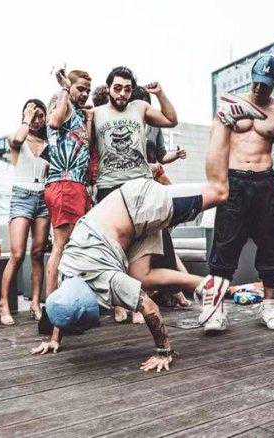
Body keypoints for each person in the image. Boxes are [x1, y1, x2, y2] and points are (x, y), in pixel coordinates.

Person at [31, 113, 233, 371]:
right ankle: (208, 285)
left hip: (141, 204)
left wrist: (163, 351)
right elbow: (64, 302)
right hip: (128, 225)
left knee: (219, 193)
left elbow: (149, 307)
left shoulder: (106, 281)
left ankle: (222, 121)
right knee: (142, 278)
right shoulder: (67, 273)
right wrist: (54, 338)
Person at [208, 54, 274, 331]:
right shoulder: (231, 105)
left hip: (265, 182)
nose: (259, 88)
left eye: (265, 84)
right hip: (234, 181)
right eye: (256, 82)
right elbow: (217, 146)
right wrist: (219, 184)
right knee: (225, 245)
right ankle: (216, 311)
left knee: (272, 246)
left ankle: (268, 307)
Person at [91, 67, 179, 323]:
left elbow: (171, 120)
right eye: (117, 88)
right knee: (113, 247)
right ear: (109, 88)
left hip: (139, 185)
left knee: (140, 251)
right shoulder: (95, 113)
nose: (122, 94)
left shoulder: (140, 107)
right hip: (109, 186)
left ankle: (139, 303)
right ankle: (118, 304)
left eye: (127, 89)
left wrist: (160, 94)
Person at [130, 85, 191, 309]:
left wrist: (176, 155)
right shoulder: (125, 123)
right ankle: (169, 291)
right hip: (131, 188)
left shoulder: (154, 127)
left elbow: (161, 156)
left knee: (162, 235)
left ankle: (174, 290)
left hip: (152, 187)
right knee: (147, 239)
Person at [43, 68, 95, 309]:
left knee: (74, 246)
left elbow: (86, 144)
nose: (84, 94)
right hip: (64, 184)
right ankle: (51, 309)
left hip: (77, 185)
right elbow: (54, 122)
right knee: (61, 246)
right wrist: (64, 88)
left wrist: (89, 119)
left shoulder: (78, 113)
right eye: (80, 88)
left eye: (88, 90)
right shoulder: (61, 103)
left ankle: (64, 303)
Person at [0, 99, 50, 325]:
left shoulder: (49, 142)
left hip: (43, 197)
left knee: (38, 252)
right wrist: (27, 120)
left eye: (40, 115)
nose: (37, 120)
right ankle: (3, 303)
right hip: (22, 196)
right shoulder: (17, 138)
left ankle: (35, 303)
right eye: (33, 115)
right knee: (18, 253)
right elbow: (18, 139)